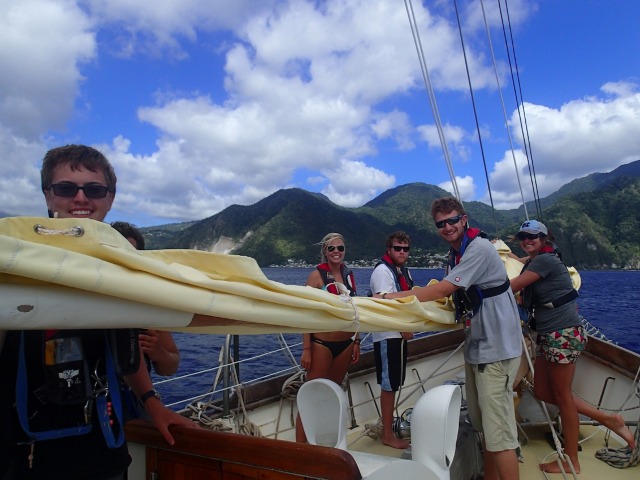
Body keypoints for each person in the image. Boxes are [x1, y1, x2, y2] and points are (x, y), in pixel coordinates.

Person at [0, 145, 196, 480]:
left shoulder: (122, 274)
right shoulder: (14, 265)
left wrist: (153, 404)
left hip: (103, 448)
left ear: (110, 199)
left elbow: (125, 346)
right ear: (48, 195)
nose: (81, 198)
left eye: (94, 190)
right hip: (25, 454)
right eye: (66, 188)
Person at [375, 197, 522, 480]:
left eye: (452, 220)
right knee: (486, 429)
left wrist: (388, 298)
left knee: (501, 436)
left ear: (464, 220)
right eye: (441, 224)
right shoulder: (457, 254)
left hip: (497, 351)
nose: (447, 227)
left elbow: (442, 291)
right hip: (479, 348)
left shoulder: (478, 249)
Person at [509, 219, 636, 474]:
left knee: (563, 397)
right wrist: (503, 253)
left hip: (563, 334)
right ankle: (608, 419)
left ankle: (571, 461)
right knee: (543, 392)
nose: (527, 240)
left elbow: (510, 287)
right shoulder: (537, 260)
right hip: (548, 334)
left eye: (533, 236)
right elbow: (521, 262)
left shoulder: (544, 261)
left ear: (544, 238)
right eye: (523, 237)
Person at [296, 232, 361, 442]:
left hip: (346, 344)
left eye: (340, 248)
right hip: (322, 344)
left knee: (332, 393)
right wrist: (307, 349)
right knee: (312, 396)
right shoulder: (316, 277)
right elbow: (306, 313)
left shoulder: (348, 275)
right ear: (325, 251)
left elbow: (356, 310)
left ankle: (325, 443)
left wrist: (357, 341)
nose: (336, 252)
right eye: (331, 248)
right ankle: (300, 448)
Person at [111, 221, 180, 376]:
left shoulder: (146, 304)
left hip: (130, 391)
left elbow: (171, 367)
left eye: (129, 255)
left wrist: (158, 352)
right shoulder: (79, 298)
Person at [369, 231, 414, 449]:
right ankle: (387, 434)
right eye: (398, 248)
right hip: (389, 335)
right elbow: (384, 302)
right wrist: (404, 328)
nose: (402, 252)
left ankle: (388, 427)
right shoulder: (383, 272)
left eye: (405, 249)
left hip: (398, 335)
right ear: (389, 249)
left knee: (394, 383)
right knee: (389, 385)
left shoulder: (402, 271)